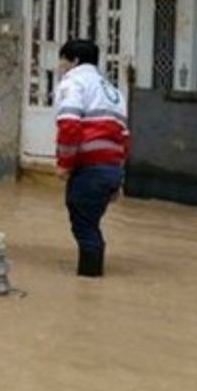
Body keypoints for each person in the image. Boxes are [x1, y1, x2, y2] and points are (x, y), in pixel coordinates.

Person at [55, 39, 129, 277]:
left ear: (74, 60)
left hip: (90, 167)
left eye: (62, 60)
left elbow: (69, 125)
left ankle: (89, 279)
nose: (60, 66)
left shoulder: (74, 82)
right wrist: (119, 178)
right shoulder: (113, 91)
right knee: (89, 221)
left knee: (84, 225)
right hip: (111, 168)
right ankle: (91, 275)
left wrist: (64, 163)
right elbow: (124, 138)